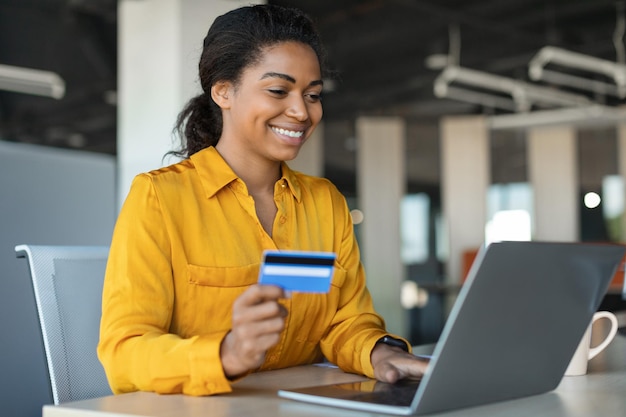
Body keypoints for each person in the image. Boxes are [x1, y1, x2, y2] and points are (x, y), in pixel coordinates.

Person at [97, 4, 427, 396]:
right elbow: (124, 352)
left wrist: (378, 352)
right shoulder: (160, 199)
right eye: (277, 90)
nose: (301, 111)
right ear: (223, 91)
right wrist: (226, 354)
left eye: (313, 94)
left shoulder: (326, 203)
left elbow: (344, 322)